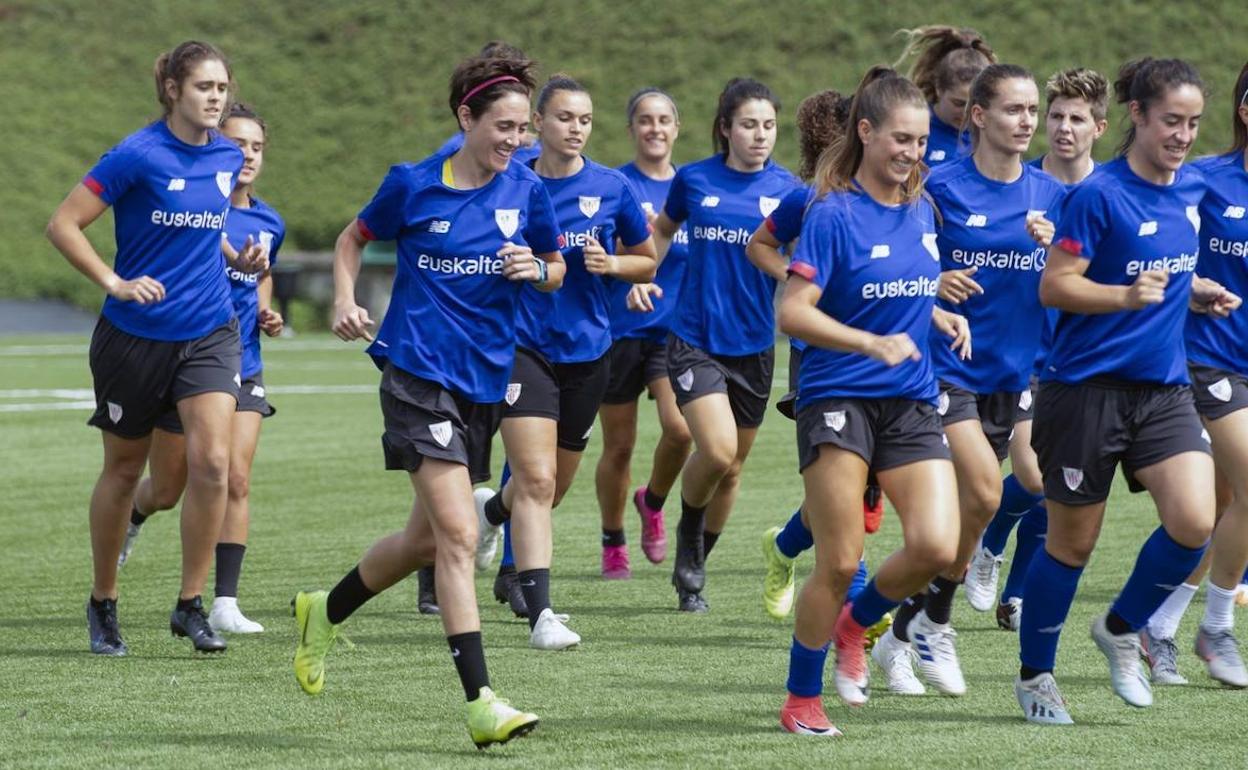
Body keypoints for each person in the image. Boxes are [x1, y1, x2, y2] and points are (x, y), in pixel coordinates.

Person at [290, 51, 564, 749]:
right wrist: (346, 299)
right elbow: (354, 238)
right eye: (501, 126)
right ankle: (481, 701)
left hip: (480, 387)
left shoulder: (527, 192)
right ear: (464, 118)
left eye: (521, 129)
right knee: (461, 536)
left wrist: (538, 270)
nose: (513, 140)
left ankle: (325, 610)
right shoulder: (412, 186)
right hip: (414, 377)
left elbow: (556, 267)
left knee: (420, 542)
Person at [1016, 57, 1239, 725]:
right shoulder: (1099, 194)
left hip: (1164, 387)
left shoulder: (1190, 190)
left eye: (1194, 123)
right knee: (1073, 545)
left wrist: (1190, 289)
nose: (1182, 134)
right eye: (1171, 120)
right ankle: (1035, 678)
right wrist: (1123, 295)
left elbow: (1163, 268)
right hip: (1082, 389)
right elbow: (1056, 285)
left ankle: (1121, 627)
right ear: (1137, 116)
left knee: (1196, 522)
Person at [46, 40, 266, 655]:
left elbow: (209, 220)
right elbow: (63, 224)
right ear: (173, 89)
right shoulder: (136, 155)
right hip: (133, 341)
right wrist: (114, 282)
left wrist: (236, 256)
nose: (215, 98)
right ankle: (104, 601)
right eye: (204, 87)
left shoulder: (225, 154)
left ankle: (190, 605)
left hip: (209, 332)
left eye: (222, 88)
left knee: (214, 465)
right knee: (124, 472)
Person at [776, 66, 965, 735]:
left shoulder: (922, 207)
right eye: (900, 138)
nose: (913, 151)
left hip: (909, 399)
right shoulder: (831, 211)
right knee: (841, 559)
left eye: (921, 140)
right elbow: (793, 312)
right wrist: (867, 343)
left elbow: (897, 285)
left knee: (938, 546)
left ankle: (854, 628)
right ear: (865, 132)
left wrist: (934, 311)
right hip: (838, 396)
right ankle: (801, 700)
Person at [880, 64, 1067, 697]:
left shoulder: (1049, 195)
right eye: (1014, 109)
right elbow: (897, 258)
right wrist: (933, 286)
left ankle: (900, 633)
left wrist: (1058, 249)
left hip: (1012, 376)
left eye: (1032, 111)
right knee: (986, 495)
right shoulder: (939, 188)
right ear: (980, 117)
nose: (1027, 121)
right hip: (944, 367)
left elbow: (1075, 277)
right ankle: (934, 624)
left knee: (960, 518)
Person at [474, 74, 656, 643]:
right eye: (564, 118)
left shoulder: (612, 187)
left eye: (584, 120)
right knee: (536, 474)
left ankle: (491, 518)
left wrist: (614, 267)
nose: (575, 128)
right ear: (538, 125)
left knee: (549, 487)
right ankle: (542, 610)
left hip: (589, 350)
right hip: (522, 345)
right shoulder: (509, 180)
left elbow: (647, 258)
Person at [116, 103, 286, 635]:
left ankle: (222, 602)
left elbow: (261, 279)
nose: (248, 156)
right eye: (238, 144)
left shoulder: (269, 221)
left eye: (257, 147)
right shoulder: (195, 205)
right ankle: (135, 515)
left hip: (241, 362)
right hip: (182, 354)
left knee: (234, 474)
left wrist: (266, 310)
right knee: (168, 488)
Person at [645, 77, 801, 611]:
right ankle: (688, 547)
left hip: (755, 346)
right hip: (694, 339)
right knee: (716, 450)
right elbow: (662, 231)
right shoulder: (692, 180)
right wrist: (647, 273)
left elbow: (807, 256)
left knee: (732, 469)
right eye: (749, 125)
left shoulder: (790, 190)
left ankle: (696, 563)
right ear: (726, 128)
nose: (760, 135)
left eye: (769, 125)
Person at [970, 68, 1109, 633]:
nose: (1062, 128)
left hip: (1074, 358)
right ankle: (990, 541)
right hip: (1010, 360)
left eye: (1077, 119)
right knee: (1033, 480)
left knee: (1054, 482)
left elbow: (1109, 272)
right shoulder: (1020, 185)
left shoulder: (1103, 193)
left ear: (1099, 127)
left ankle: (1016, 588)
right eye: (1055, 116)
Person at [746, 89, 891, 624]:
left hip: (882, 356)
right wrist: (802, 281)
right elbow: (760, 246)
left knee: (844, 492)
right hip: (819, 360)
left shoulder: (900, 203)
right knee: (843, 492)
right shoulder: (809, 200)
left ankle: (783, 547)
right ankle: (860, 611)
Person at [1139, 60, 1248, 689]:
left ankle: (1159, 624)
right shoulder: (1203, 180)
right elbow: (1143, 226)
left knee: (1223, 507)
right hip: (1205, 359)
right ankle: (1217, 627)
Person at [595, 88, 692, 577]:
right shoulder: (615, 186)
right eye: (645, 120)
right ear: (632, 129)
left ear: (677, 128)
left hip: (670, 334)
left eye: (664, 120)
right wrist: (629, 276)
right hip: (617, 331)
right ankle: (613, 540)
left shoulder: (690, 189)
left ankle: (651, 500)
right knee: (619, 445)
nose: (655, 129)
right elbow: (601, 253)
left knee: (681, 429)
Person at [895, 25, 995, 167]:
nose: (967, 113)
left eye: (975, 105)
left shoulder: (992, 133)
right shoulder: (913, 128)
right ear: (939, 88)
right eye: (959, 103)